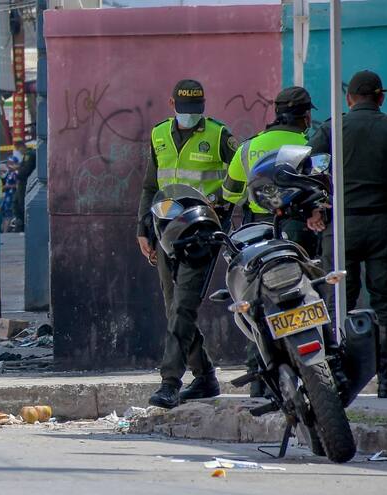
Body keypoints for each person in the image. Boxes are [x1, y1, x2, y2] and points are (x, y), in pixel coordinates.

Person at [136, 79, 238, 409]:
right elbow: (150, 186)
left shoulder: (219, 135)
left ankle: (170, 382)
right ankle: (205, 376)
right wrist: (143, 228)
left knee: (183, 306)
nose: (189, 116)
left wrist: (223, 202)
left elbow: (240, 173)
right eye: (184, 110)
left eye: (195, 111)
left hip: (202, 233)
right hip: (166, 232)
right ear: (172, 103)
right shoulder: (159, 135)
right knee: (173, 308)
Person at [222, 86, 317, 397]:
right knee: (306, 295)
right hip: (301, 229)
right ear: (306, 117)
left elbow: (230, 193)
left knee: (257, 304)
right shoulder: (310, 144)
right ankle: (315, 370)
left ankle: (260, 380)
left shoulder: (249, 148)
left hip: (257, 234)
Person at [306, 70, 387, 398]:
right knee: (386, 306)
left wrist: (315, 209)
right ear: (380, 98)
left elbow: (311, 171)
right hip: (384, 226)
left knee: (338, 303)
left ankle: (337, 379)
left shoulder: (331, 128)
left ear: (349, 99)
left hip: (341, 227)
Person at [12, 140, 35, 231]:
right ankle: (20, 224)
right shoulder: (28, 155)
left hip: (25, 183)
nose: (19, 151)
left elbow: (26, 169)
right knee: (16, 203)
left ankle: (23, 225)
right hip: (23, 183)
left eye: (18, 149)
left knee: (21, 204)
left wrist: (17, 174)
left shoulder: (29, 155)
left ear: (22, 146)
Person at [1, 156, 19, 231]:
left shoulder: (16, 173)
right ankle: (4, 229)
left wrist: (7, 186)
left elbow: (18, 185)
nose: (9, 165)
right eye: (8, 163)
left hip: (12, 196)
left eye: (11, 163)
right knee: (5, 213)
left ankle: (6, 230)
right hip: (7, 197)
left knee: (9, 214)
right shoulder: (9, 173)